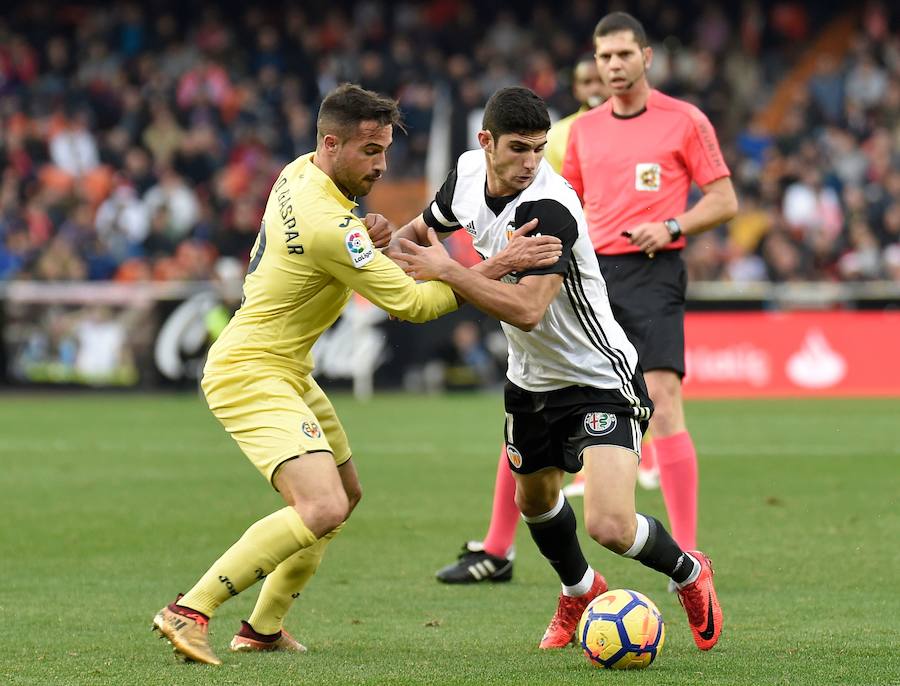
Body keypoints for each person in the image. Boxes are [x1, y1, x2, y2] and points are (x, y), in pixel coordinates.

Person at [151, 83, 561, 665]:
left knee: (344, 495)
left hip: (286, 366)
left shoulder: (298, 173)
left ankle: (262, 629)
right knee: (320, 507)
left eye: (386, 148)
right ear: (331, 143)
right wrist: (496, 265)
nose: (382, 164)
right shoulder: (329, 223)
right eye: (370, 151)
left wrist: (361, 236)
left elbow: (324, 242)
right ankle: (189, 610)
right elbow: (414, 306)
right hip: (250, 370)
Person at [392, 85, 722, 651]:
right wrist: (386, 241)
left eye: (539, 150)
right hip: (530, 380)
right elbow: (423, 232)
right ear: (486, 141)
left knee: (610, 525)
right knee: (535, 503)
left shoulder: (550, 207)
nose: (529, 163)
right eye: (518, 149)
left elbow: (526, 309)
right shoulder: (468, 174)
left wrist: (447, 271)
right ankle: (580, 589)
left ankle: (691, 573)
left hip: (598, 376)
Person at [434, 11, 738, 588]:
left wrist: (672, 227)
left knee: (665, 399)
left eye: (625, 55)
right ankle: (498, 549)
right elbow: (563, 202)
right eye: (604, 57)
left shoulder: (685, 120)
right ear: (594, 63)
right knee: (535, 392)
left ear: (647, 58)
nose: (614, 66)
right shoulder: (581, 131)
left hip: (651, 271)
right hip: (582, 273)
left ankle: (690, 555)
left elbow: (724, 200)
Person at [431, 54, 610, 587]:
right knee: (529, 461)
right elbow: (422, 231)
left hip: (591, 287)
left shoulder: (567, 173)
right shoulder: (565, 136)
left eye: (611, 71)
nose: (599, 86)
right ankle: (503, 551)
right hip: (537, 316)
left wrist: (457, 272)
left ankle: (680, 553)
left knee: (609, 513)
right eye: (589, 79)